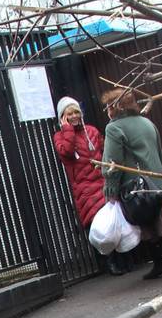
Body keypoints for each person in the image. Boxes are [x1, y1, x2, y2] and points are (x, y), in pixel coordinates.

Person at [100, 86, 162, 280]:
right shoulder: (146, 122)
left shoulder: (114, 128)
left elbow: (112, 163)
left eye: (108, 107)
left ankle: (160, 264)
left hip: (137, 187)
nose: (107, 111)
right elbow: (160, 153)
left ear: (115, 107)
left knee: (146, 224)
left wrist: (110, 188)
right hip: (157, 181)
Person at [51, 96, 127, 273]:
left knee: (113, 221)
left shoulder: (91, 131)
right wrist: (67, 129)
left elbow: (105, 150)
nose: (75, 116)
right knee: (99, 225)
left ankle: (124, 259)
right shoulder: (60, 137)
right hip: (84, 188)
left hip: (102, 181)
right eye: (70, 113)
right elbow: (67, 153)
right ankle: (110, 263)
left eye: (77, 111)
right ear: (63, 116)